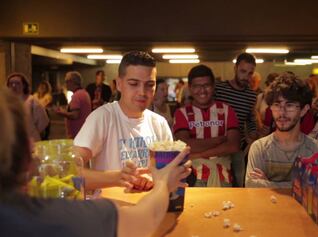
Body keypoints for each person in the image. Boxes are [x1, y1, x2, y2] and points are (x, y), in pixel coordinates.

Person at [0, 88, 192, 237]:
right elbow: (143, 220)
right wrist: (163, 184)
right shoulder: (52, 217)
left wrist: (117, 177)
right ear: (27, 151)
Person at [74, 51, 173, 191]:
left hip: (151, 208)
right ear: (119, 84)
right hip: (110, 210)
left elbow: (168, 173)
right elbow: (69, 173)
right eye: (134, 84)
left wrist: (159, 178)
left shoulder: (159, 123)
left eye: (149, 85)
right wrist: (118, 178)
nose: (142, 92)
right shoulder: (103, 118)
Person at [245, 75, 318, 188]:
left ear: (304, 110)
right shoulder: (259, 147)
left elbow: (316, 188)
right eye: (277, 105)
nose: (282, 112)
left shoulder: (315, 149)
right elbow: (252, 185)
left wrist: (268, 184)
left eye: (289, 105)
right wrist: (299, 185)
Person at [173, 65, 240, 187]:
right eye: (197, 86)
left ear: (213, 86)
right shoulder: (181, 113)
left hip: (224, 173)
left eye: (206, 85)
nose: (202, 91)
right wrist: (218, 140)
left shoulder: (227, 110)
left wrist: (198, 154)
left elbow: (233, 145)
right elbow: (184, 146)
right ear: (190, 88)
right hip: (192, 176)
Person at [215, 52, 259, 187]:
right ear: (235, 68)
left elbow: (250, 120)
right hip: (217, 147)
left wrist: (253, 135)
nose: (246, 76)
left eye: (250, 73)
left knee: (240, 184)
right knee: (219, 184)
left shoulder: (251, 96)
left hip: (237, 148)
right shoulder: (219, 89)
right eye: (243, 71)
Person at [6, 72, 49, 142]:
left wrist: (31, 131)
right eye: (11, 84)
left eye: (17, 83)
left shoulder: (32, 101)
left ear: (24, 85)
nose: (14, 86)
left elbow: (43, 122)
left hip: (30, 141)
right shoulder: (5, 102)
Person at [55, 71, 92, 139]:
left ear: (72, 82)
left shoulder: (76, 95)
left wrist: (61, 113)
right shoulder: (84, 93)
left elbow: (75, 115)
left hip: (77, 134)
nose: (65, 84)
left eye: (66, 81)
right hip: (83, 132)